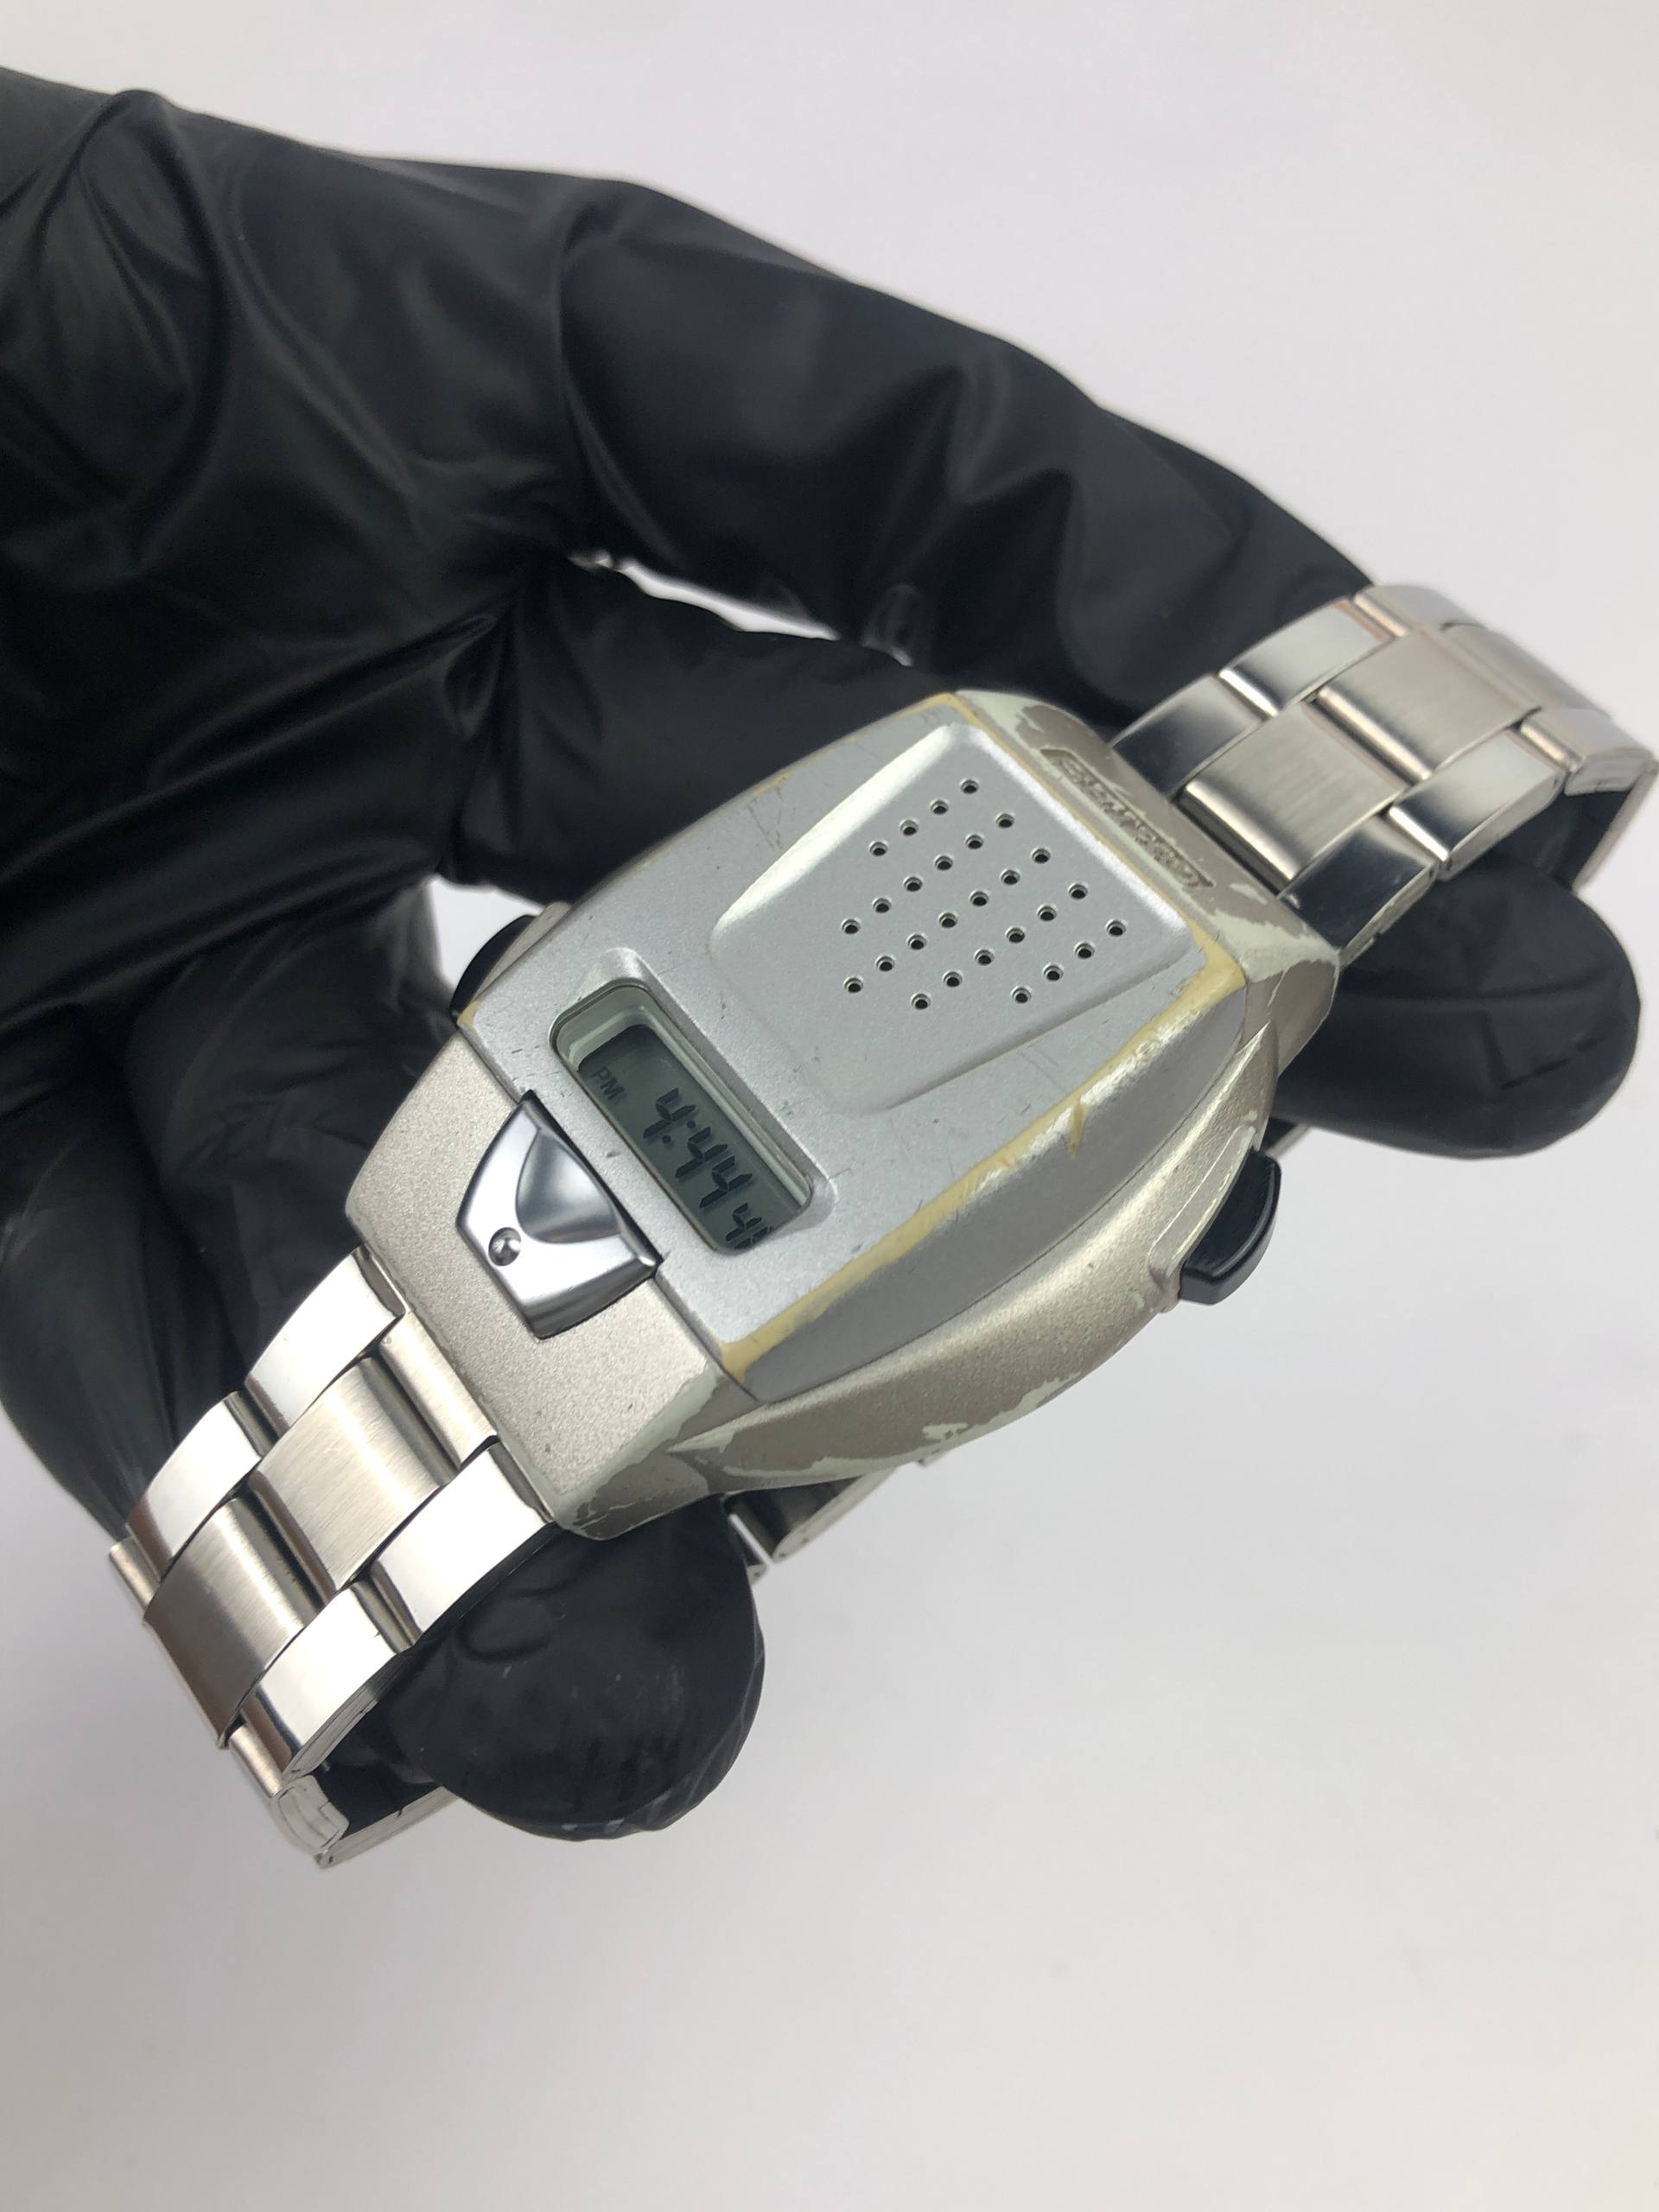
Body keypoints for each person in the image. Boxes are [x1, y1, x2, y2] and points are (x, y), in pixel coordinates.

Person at [0, 68, 1638, 1841]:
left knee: (1436, 984)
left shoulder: (143, 305)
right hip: (487, 954)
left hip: (213, 481)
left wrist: (109, 255)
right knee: (512, 1626)